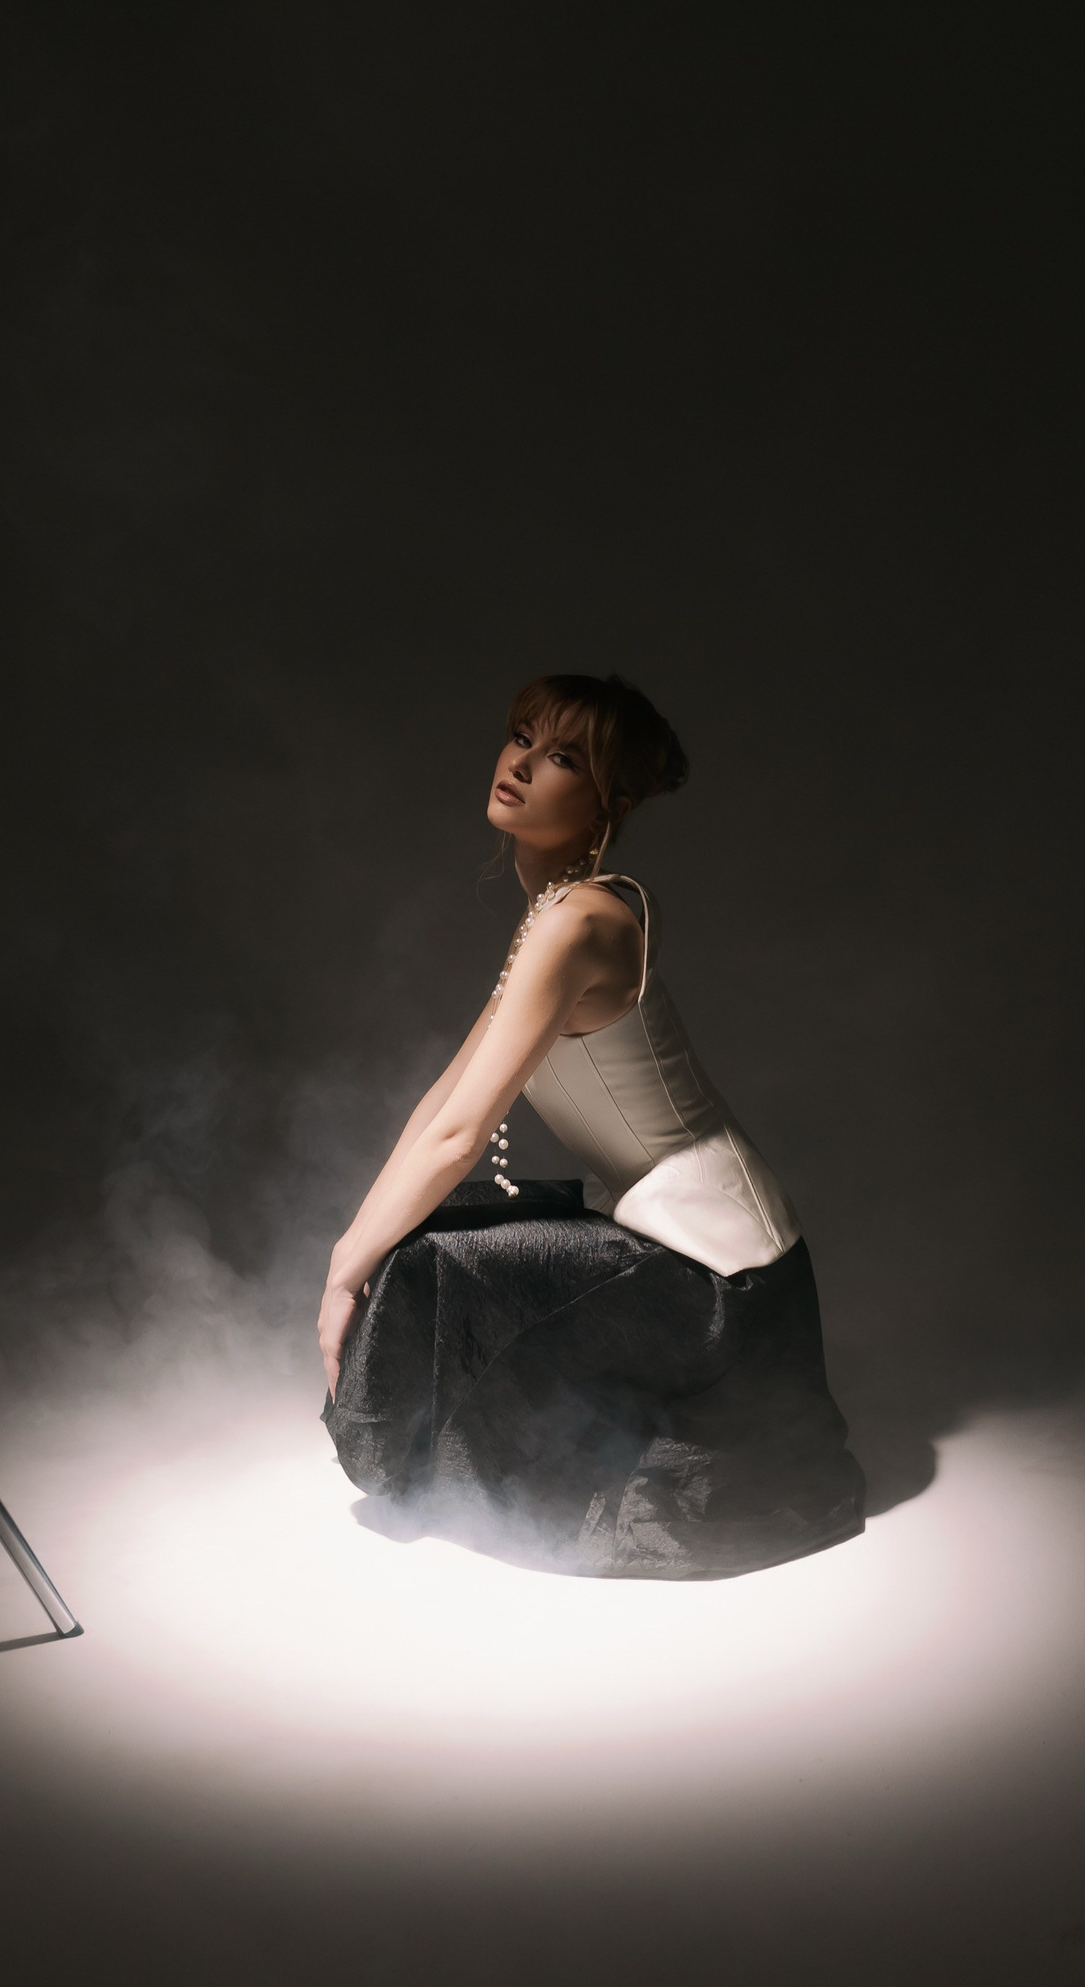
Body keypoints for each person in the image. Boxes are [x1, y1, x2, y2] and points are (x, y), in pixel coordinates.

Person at [321, 673, 864, 1579]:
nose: (522, 764)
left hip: (725, 1284)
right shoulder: (553, 915)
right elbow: (442, 1105)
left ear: (609, 802)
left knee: (426, 1257)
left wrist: (345, 1275)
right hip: (677, 1250)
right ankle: (453, 1463)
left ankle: (443, 1471)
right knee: (435, 1228)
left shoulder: (582, 921)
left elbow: (460, 1137)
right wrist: (350, 1250)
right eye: (521, 738)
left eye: (563, 757)